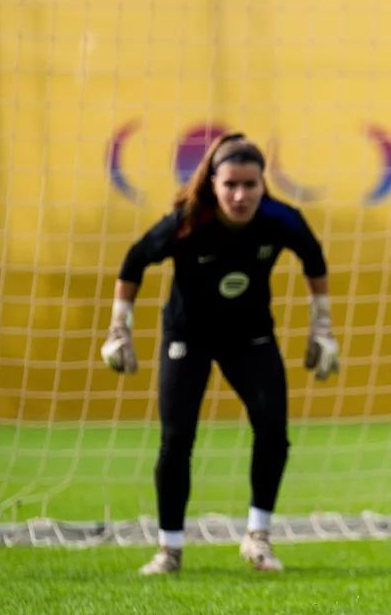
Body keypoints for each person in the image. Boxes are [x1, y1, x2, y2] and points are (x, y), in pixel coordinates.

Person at [100, 132, 340, 575]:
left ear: (263, 185)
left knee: (273, 429)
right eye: (230, 184)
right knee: (177, 440)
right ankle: (169, 550)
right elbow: (133, 262)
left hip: (250, 337)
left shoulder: (281, 219)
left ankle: (257, 538)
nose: (240, 194)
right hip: (187, 337)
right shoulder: (187, 221)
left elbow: (314, 260)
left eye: (250, 185)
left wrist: (322, 327)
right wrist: (120, 329)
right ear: (212, 183)